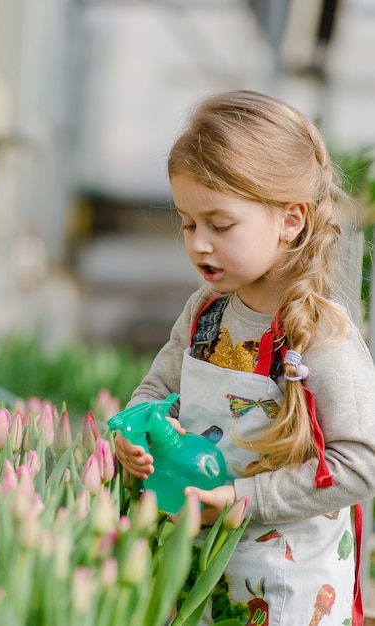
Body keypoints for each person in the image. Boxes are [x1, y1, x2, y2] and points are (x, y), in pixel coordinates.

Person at [114, 90, 375, 625]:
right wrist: (134, 438)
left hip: (288, 590)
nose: (199, 244)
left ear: (291, 221)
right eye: (188, 223)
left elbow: (362, 464)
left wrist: (244, 497)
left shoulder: (320, 334)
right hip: (200, 572)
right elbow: (156, 390)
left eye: (220, 224)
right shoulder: (204, 313)